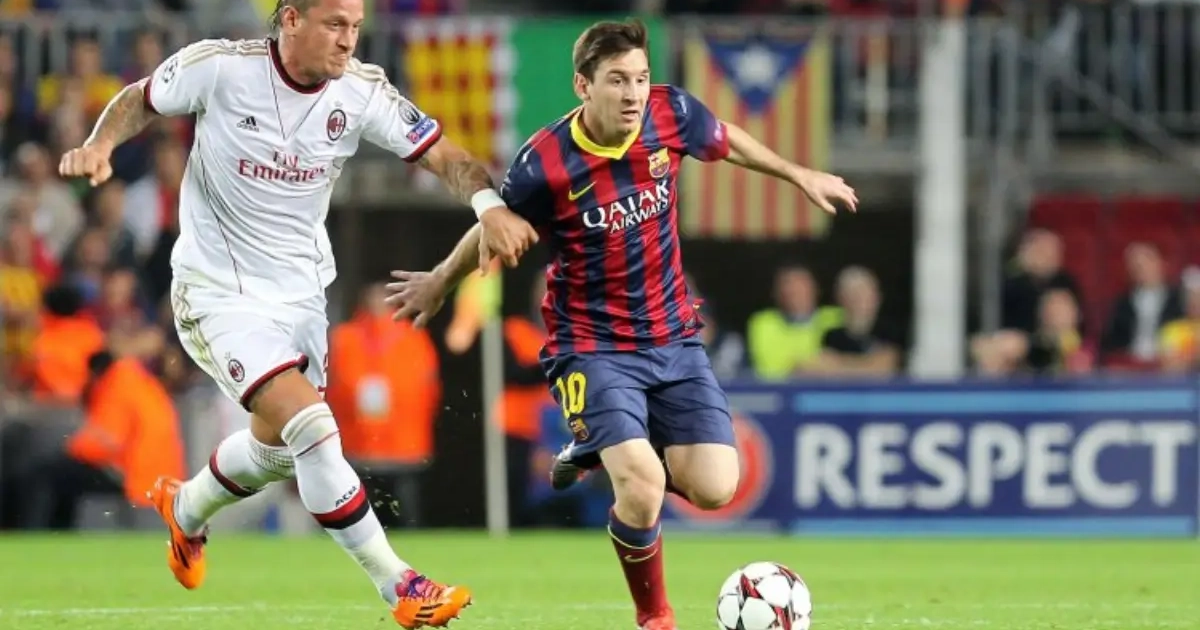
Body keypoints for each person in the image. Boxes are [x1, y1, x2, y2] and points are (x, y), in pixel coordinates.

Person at [56, 0, 538, 627]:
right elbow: (139, 99)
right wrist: (99, 144)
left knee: (279, 453)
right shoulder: (222, 68)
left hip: (302, 298)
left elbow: (446, 157)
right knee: (312, 428)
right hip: (218, 292)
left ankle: (187, 508)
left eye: (355, 27)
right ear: (289, 20)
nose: (348, 40)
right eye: (334, 24)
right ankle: (400, 585)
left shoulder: (361, 92)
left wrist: (487, 206)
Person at [384, 18, 857, 630]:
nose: (633, 93)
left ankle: (597, 447)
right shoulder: (544, 163)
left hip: (673, 337)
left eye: (640, 77)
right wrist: (439, 281)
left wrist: (800, 174)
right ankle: (654, 615)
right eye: (617, 80)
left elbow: (726, 138)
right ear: (583, 86)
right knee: (641, 484)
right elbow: (492, 228)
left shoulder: (670, 113)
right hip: (591, 346)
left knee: (716, 487)